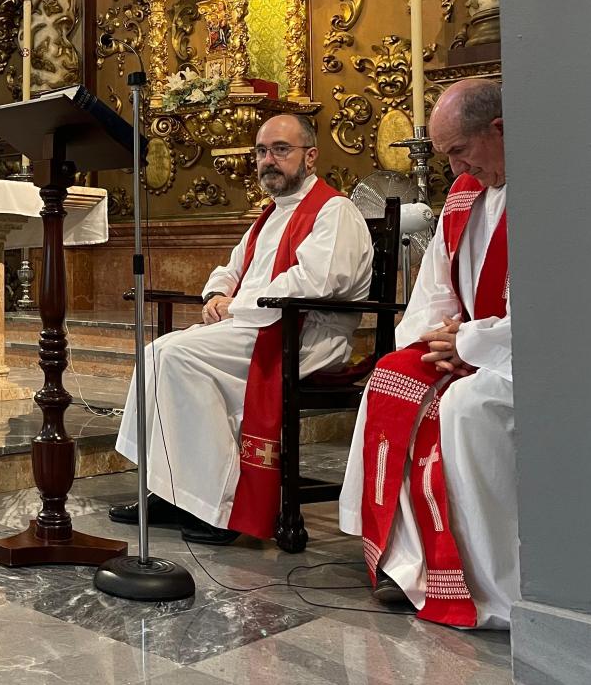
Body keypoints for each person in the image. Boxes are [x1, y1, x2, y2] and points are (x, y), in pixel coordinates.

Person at [112, 113, 373, 544]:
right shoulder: (268, 216)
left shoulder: (334, 211)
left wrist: (238, 305)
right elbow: (232, 268)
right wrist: (217, 294)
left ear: (310, 157)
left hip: (304, 337)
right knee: (157, 354)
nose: (268, 160)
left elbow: (316, 281)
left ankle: (218, 505)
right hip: (256, 326)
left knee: (174, 357)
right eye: (261, 151)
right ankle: (171, 489)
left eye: (280, 150)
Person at [339, 79, 515, 628]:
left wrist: (470, 342)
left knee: (465, 408)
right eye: (444, 157)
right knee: (391, 374)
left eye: (459, 151)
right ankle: (402, 558)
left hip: (518, 357)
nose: (455, 168)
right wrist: (437, 336)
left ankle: (490, 582)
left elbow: (557, 307)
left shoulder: (551, 188)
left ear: (500, 129)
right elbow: (436, 282)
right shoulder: (465, 196)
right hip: (467, 342)